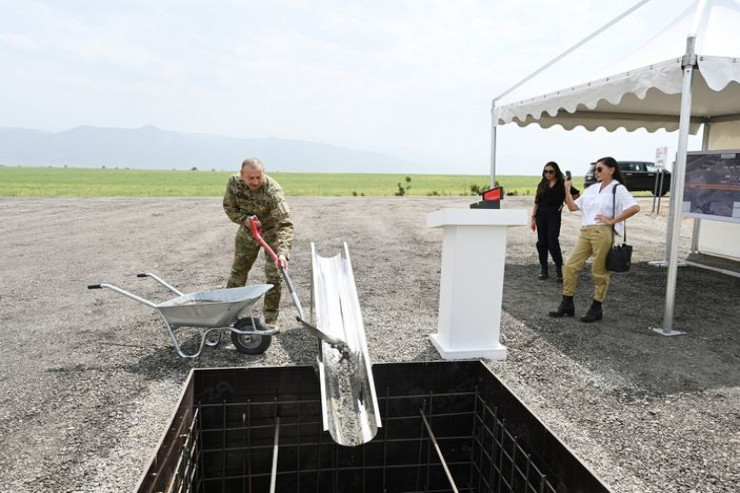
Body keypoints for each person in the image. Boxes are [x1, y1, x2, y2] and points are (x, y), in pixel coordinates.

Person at [548, 156, 640, 323]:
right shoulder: (592, 189)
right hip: (586, 230)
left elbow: (634, 207)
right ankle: (567, 304)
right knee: (569, 266)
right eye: (595, 169)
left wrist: (613, 220)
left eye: (600, 169)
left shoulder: (617, 189)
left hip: (602, 232)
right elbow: (573, 207)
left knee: (598, 271)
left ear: (611, 170)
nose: (596, 172)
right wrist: (567, 190)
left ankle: (596, 307)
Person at [223, 158, 294, 328]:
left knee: (274, 275)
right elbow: (229, 208)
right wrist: (245, 220)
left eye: (259, 177)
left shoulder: (273, 190)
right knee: (238, 272)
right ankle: (226, 314)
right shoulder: (234, 183)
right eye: (251, 178)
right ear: (242, 176)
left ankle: (270, 319)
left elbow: (285, 224)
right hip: (249, 230)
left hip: (271, 231)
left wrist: (283, 252)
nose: (255, 181)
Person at [530, 161, 579, 282]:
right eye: (545, 171)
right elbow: (537, 201)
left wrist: (564, 203)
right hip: (541, 215)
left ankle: (559, 268)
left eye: (550, 171)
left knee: (552, 242)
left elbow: (577, 194)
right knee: (542, 243)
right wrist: (533, 217)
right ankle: (544, 269)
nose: (548, 174)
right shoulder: (542, 184)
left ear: (556, 171)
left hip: (554, 216)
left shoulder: (562, 183)